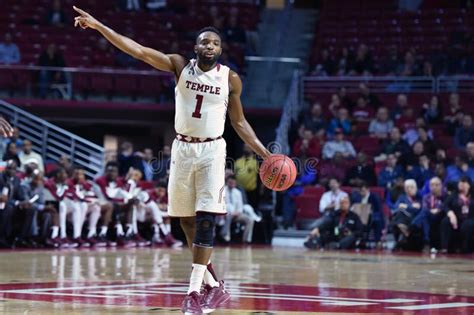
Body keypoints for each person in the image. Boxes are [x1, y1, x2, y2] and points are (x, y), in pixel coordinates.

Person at [73, 7, 272, 313]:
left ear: (220, 49)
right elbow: (137, 50)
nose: (210, 46)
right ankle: (216, 287)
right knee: (185, 222)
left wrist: (266, 154)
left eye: (215, 44)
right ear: (196, 47)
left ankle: (193, 292)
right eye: (205, 42)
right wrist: (99, 25)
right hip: (181, 149)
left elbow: (240, 122)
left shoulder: (230, 79)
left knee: (206, 217)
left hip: (212, 150)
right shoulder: (180, 66)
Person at [411, 177, 445, 253]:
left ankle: (413, 225)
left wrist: (437, 210)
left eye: (437, 185)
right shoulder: (426, 197)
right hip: (429, 216)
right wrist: (431, 211)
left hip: (440, 217)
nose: (434, 187)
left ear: (441, 186)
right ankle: (427, 241)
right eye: (432, 185)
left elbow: (443, 208)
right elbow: (425, 208)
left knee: (424, 214)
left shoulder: (444, 196)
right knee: (425, 217)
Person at [440, 177, 474, 253]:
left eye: (464, 182)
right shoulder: (454, 195)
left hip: (470, 219)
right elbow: (445, 205)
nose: (461, 183)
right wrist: (451, 214)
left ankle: (465, 249)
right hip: (457, 219)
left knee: (467, 225)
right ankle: (445, 247)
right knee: (445, 221)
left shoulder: (472, 196)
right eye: (460, 182)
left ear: (469, 185)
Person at [220, 176, 255, 243]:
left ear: (235, 183)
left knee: (250, 219)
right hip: (225, 214)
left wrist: (236, 213)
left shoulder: (238, 193)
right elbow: (220, 204)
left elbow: (240, 207)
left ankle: (246, 239)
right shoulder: (222, 191)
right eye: (230, 182)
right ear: (227, 182)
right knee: (229, 215)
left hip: (236, 214)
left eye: (233, 183)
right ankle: (225, 237)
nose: (231, 184)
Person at [390, 179, 421, 250]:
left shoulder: (419, 197)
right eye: (407, 187)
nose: (409, 189)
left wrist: (406, 206)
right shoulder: (402, 197)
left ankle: (403, 233)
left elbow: (419, 209)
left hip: (415, 218)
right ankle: (404, 232)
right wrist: (412, 206)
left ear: (415, 188)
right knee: (399, 213)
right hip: (403, 217)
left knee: (398, 218)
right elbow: (396, 208)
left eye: (411, 187)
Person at [234, 144, 259, 209]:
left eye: (248, 147)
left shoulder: (256, 162)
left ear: (252, 149)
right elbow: (234, 175)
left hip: (251, 191)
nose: (246, 149)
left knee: (252, 209)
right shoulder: (238, 161)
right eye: (245, 147)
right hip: (239, 190)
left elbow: (260, 177)